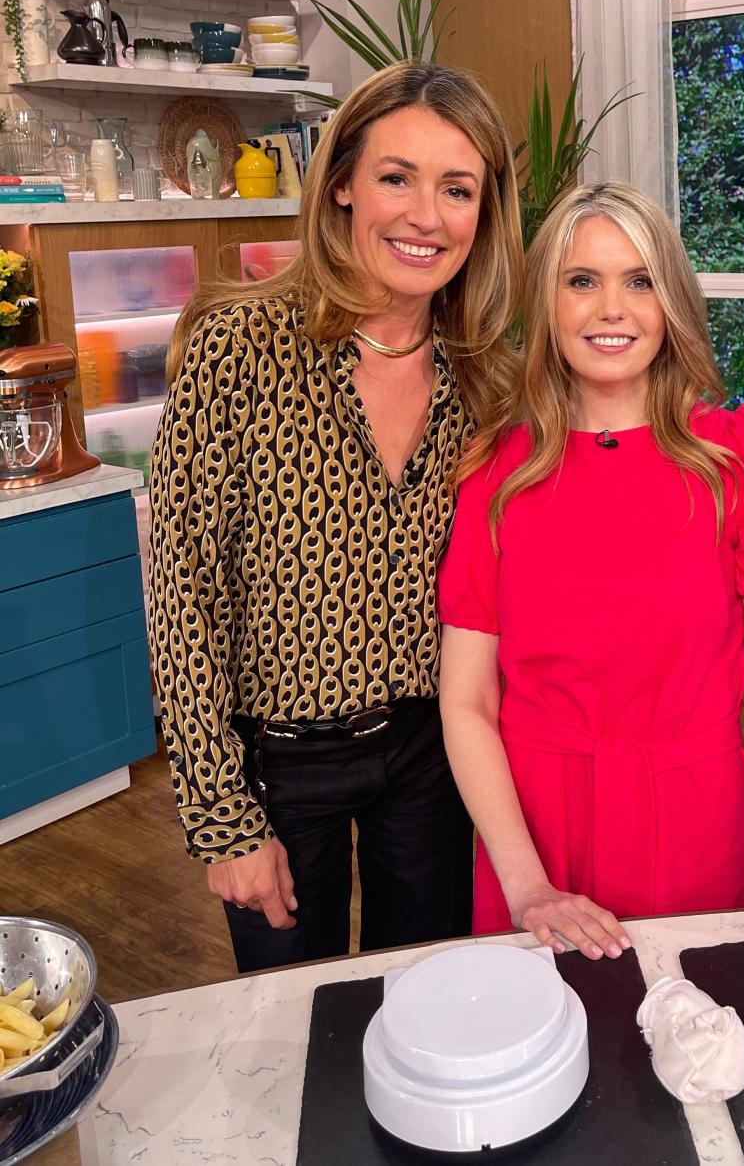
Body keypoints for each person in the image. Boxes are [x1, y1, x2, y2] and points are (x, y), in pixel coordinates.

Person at [147, 62, 523, 972]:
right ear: (344, 182)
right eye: (397, 177)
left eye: (457, 188)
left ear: (485, 211)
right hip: (280, 768)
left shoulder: (489, 376)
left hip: (432, 755)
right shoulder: (239, 346)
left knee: (427, 996)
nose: (426, 216)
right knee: (292, 1023)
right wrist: (221, 817)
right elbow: (178, 593)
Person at [438, 181, 744, 962]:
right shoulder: (496, 474)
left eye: (639, 280)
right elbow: (466, 698)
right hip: (536, 827)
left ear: (670, 300)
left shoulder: (732, 460)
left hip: (696, 817)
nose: (612, 308)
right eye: (581, 280)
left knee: (699, 1055)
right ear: (547, 301)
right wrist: (526, 882)